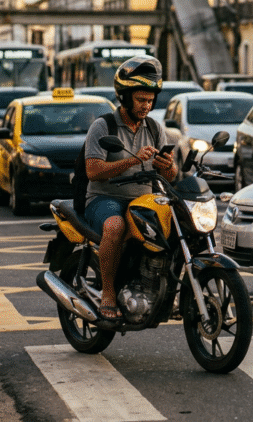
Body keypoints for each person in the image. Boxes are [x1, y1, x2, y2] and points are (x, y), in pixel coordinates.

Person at [83, 55, 176, 322]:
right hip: (106, 198)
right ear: (125, 97)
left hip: (145, 201)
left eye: (150, 100)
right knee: (114, 226)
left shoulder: (155, 128)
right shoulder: (103, 126)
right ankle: (109, 293)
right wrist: (133, 159)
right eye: (140, 100)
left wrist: (166, 165)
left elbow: (170, 174)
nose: (146, 106)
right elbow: (93, 170)